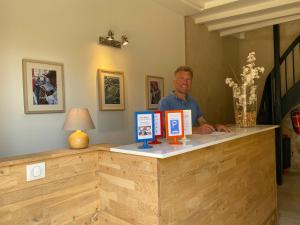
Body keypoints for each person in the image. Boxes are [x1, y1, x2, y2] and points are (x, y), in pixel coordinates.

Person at [159, 66, 230, 134]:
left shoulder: (194, 101)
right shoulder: (165, 102)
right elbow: (167, 127)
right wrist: (196, 130)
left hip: (195, 144)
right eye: (182, 78)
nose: (185, 82)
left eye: (188, 79)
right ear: (174, 82)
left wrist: (215, 127)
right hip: (174, 145)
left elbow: (202, 122)